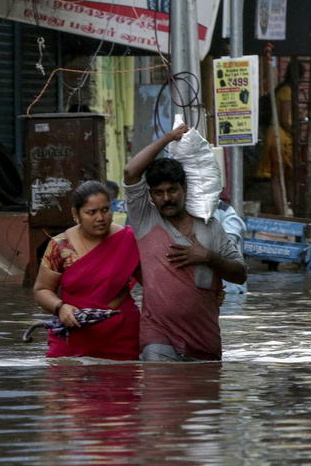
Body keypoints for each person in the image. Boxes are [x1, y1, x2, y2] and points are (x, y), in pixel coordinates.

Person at [123, 124, 247, 361]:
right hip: (158, 336)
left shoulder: (211, 227)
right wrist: (168, 138)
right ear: (150, 196)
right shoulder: (145, 218)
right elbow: (130, 172)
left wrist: (209, 257)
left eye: (172, 190)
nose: (166, 198)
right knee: (160, 392)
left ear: (185, 188)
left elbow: (240, 274)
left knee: (201, 396)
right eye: (158, 192)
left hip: (203, 339)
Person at [32, 180, 142, 360]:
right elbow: (42, 290)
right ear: (76, 214)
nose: (100, 218)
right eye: (91, 212)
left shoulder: (129, 239)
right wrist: (60, 307)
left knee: (124, 384)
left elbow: (153, 285)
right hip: (74, 333)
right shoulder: (60, 246)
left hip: (121, 334)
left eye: (105, 210)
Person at [256, 61, 302, 215]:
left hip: (278, 136)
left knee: (283, 176)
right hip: (281, 138)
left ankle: (288, 209)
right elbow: (284, 119)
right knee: (279, 177)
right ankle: (285, 210)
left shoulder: (282, 90)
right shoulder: (287, 91)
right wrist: (296, 133)